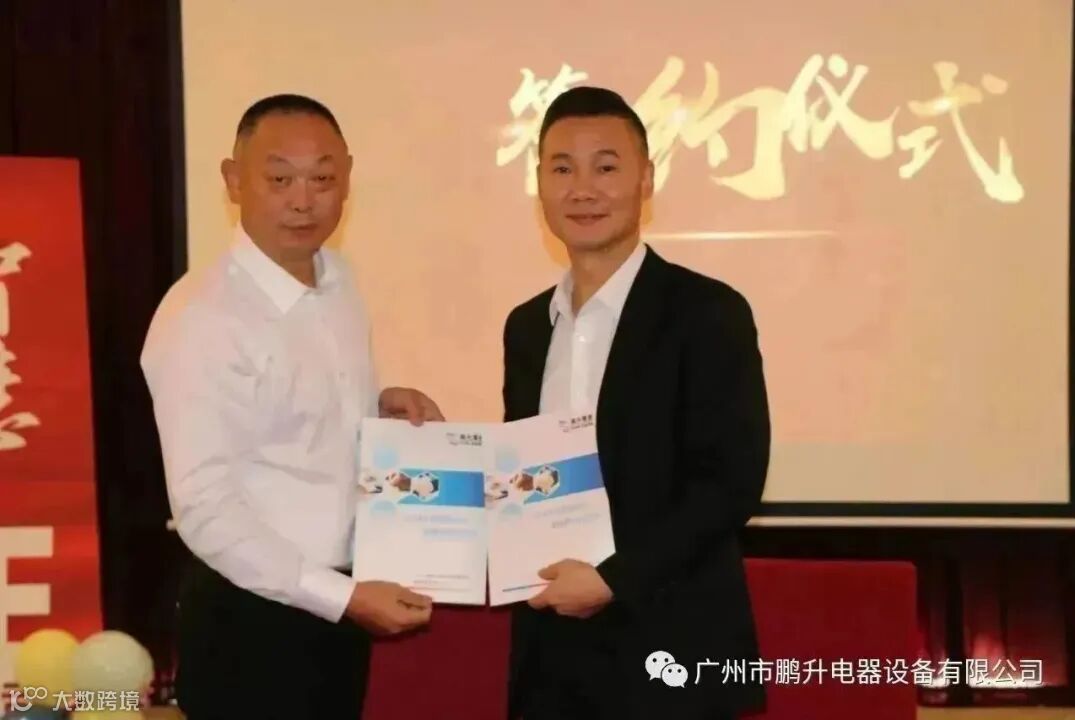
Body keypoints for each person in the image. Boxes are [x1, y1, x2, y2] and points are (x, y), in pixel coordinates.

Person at [141, 94, 440, 720]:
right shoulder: (202, 317)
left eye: (322, 179)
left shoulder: (339, 279)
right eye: (280, 180)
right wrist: (339, 597)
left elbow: (298, 420)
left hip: (339, 610)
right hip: (252, 620)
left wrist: (376, 405)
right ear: (233, 180)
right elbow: (205, 508)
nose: (303, 201)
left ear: (348, 178)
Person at [501, 86, 771, 720]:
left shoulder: (707, 312)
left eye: (606, 167)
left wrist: (612, 579)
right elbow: (523, 473)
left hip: (672, 649)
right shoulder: (527, 327)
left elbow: (729, 483)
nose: (582, 189)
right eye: (561, 168)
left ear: (646, 179)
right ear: (539, 183)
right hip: (552, 658)